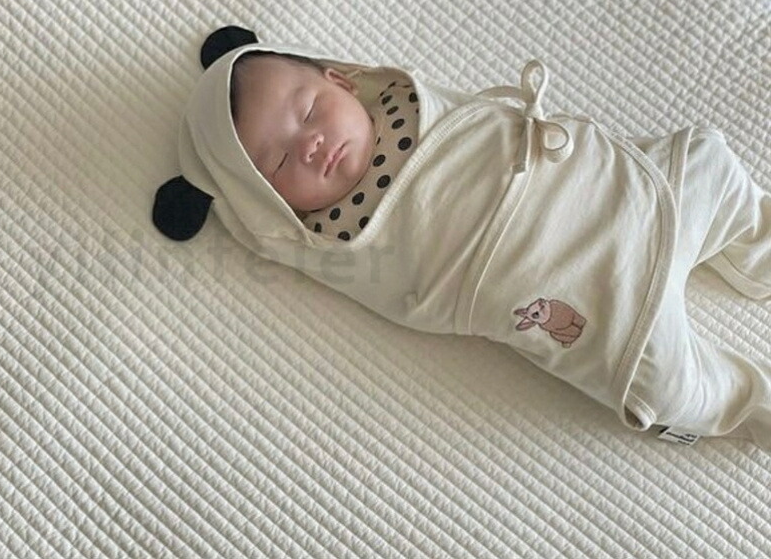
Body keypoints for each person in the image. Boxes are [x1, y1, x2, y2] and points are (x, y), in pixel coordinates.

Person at [153, 27, 771, 449]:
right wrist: (206, 193)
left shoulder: (401, 100)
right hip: (592, 304)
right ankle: (753, 406)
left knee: (708, 162)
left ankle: (759, 250)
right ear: (275, 205)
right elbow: (264, 233)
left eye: (310, 110)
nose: (311, 143)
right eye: (280, 161)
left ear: (341, 80)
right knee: (664, 387)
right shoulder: (327, 239)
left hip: (621, 191)